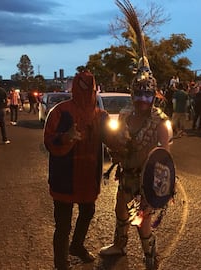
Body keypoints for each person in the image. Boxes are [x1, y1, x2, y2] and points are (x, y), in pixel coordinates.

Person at [99, 1, 171, 269]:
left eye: (147, 93)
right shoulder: (127, 114)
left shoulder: (161, 122)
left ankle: (150, 258)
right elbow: (118, 140)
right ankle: (119, 245)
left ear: (154, 94)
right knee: (120, 211)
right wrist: (116, 148)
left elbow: (164, 159)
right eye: (138, 92)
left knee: (143, 221)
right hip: (126, 175)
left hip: (147, 181)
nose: (143, 98)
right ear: (132, 92)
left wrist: (153, 189)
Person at [44, 70, 109, 270]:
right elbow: (49, 140)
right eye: (83, 85)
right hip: (65, 176)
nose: (86, 90)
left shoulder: (100, 115)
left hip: (88, 175)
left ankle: (77, 246)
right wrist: (66, 137)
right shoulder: (60, 111)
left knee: (87, 211)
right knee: (63, 225)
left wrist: (125, 140)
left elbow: (112, 140)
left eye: (90, 86)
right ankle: (60, 263)